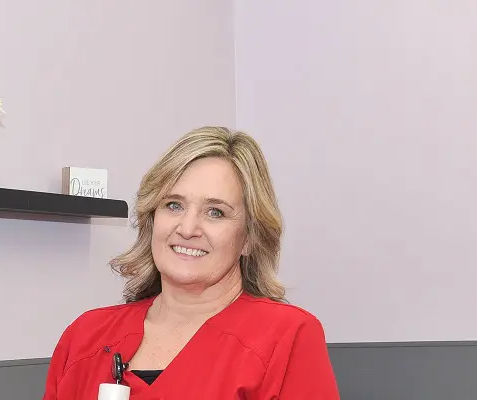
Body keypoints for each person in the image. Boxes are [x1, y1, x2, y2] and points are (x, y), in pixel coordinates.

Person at [42, 126, 340, 399]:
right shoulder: (85, 336)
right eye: (174, 205)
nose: (187, 228)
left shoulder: (288, 337)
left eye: (215, 212)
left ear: (249, 237)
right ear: (152, 219)